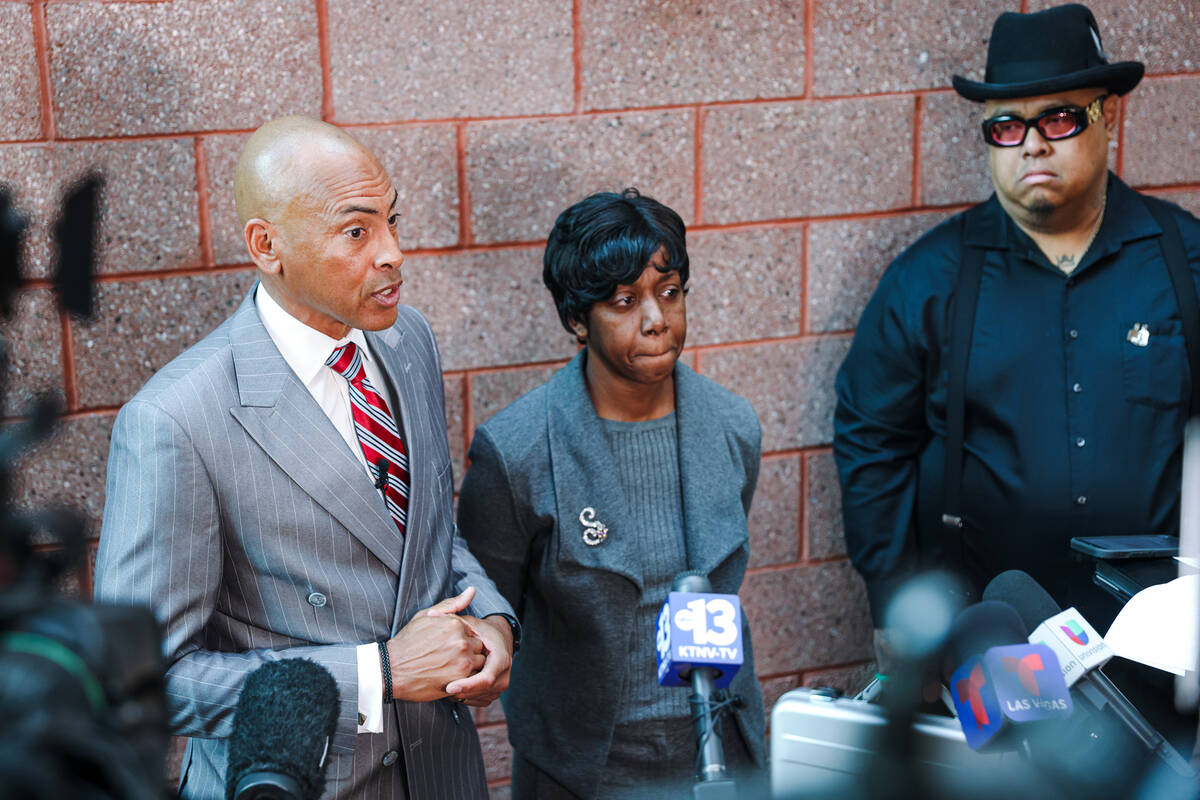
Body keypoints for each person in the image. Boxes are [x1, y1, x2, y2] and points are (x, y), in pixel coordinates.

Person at [93, 116, 517, 800]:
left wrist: (493, 623)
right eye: (358, 231)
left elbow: (429, 534)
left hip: (444, 774)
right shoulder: (177, 419)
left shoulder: (408, 339)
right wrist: (375, 675)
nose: (394, 254)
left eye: (393, 220)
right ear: (268, 246)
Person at [834, 1, 1200, 749]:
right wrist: (899, 611)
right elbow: (871, 444)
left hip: (1163, 645)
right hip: (992, 641)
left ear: (1108, 118)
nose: (1030, 145)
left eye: (1059, 119)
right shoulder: (930, 280)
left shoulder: (1184, 262)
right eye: (1006, 126)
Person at [457, 189, 767, 798]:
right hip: (583, 771)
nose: (655, 318)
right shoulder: (516, 451)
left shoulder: (733, 426)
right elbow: (490, 608)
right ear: (578, 319)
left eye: (670, 292)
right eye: (625, 301)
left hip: (722, 757)